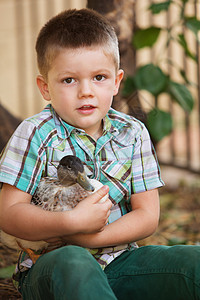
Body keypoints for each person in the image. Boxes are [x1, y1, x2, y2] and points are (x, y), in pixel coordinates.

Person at [0, 8, 200, 300]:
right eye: (69, 80)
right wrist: (69, 224)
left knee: (191, 262)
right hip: (54, 267)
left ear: (117, 81)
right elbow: (9, 214)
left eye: (99, 77)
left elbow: (147, 216)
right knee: (75, 263)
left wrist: (92, 236)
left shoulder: (133, 133)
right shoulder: (34, 134)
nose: (86, 91)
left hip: (121, 261)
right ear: (45, 87)